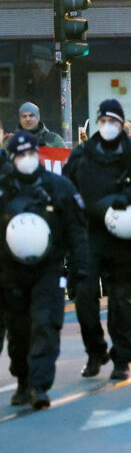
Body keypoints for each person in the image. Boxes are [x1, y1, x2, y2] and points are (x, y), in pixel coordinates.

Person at [64, 99, 131, 381]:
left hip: (123, 235)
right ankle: (96, 351)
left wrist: (128, 198)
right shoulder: (83, 154)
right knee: (84, 295)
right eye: (103, 121)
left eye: (113, 121)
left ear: (121, 124)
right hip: (89, 234)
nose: (107, 126)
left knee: (121, 299)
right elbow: (65, 186)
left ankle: (122, 357)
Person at [1, 131, 88, 408]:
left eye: (30, 154)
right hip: (10, 272)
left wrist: (81, 269)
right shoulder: (3, 189)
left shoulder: (58, 187)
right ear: (12, 159)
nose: (26, 160)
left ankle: (39, 385)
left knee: (45, 322)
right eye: (20, 155)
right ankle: (23, 380)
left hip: (49, 268)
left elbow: (76, 231)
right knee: (19, 329)